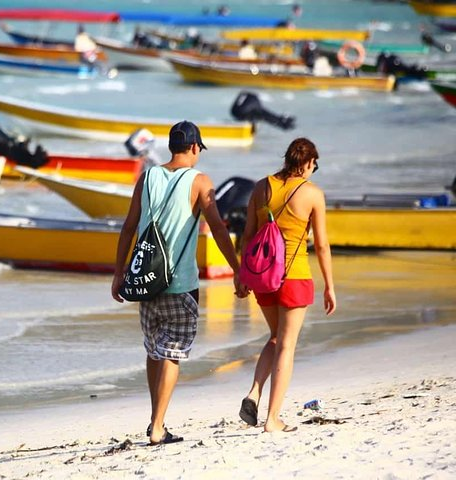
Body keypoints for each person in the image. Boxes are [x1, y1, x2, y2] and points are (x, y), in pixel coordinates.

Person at [112, 121, 247, 445]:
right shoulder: (200, 182)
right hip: (180, 282)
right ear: (195, 147)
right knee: (171, 351)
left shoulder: (147, 177)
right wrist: (237, 268)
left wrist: (119, 273)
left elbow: (129, 227)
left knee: (154, 349)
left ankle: (154, 417)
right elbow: (217, 228)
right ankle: (158, 426)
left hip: (145, 280)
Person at [238, 137, 336, 433]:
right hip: (294, 276)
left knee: (276, 337)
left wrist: (240, 275)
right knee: (287, 346)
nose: (312, 171)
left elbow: (248, 236)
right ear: (307, 162)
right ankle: (272, 419)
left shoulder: (261, 187)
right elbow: (321, 245)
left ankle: (254, 392)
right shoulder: (312, 194)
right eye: (313, 166)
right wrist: (330, 286)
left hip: (263, 276)